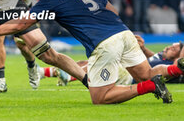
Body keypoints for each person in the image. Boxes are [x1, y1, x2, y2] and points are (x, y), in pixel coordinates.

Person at [0, 0, 184, 104]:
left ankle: (149, 86)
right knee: (146, 71)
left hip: (104, 42)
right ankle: (177, 68)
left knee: (100, 97)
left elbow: (22, 22)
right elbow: (113, 10)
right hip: (123, 32)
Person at [40, 36, 184, 85]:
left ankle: (68, 76)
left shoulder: (172, 65)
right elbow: (152, 59)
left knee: (96, 64)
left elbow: (179, 61)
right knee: (85, 62)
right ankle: (46, 72)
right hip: (129, 67)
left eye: (174, 48)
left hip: (130, 74)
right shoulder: (161, 57)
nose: (169, 47)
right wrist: (143, 48)